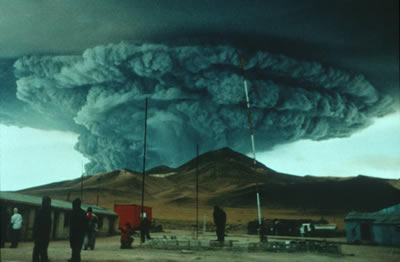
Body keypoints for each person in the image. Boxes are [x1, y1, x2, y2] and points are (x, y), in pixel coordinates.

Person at [32, 196, 52, 262]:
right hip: (42, 233)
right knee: (42, 249)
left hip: (40, 233)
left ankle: (39, 259)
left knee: (38, 249)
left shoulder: (41, 211)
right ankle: (43, 259)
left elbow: (36, 223)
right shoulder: (46, 211)